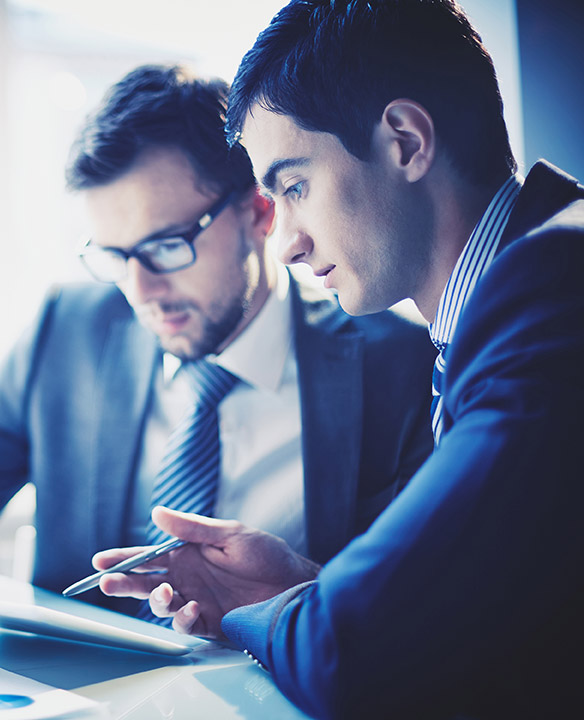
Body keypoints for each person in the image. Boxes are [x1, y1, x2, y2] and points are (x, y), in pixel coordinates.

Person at [0, 64, 434, 648]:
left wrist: (307, 593)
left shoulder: (396, 367)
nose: (141, 292)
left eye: (165, 247)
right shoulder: (70, 332)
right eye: (115, 256)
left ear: (258, 212)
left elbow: (423, 609)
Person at [95, 2, 584, 718]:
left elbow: (352, 654)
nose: (285, 242)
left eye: (294, 186)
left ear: (407, 142)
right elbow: (498, 621)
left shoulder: (549, 290)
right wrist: (308, 593)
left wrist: (266, 613)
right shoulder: (508, 295)